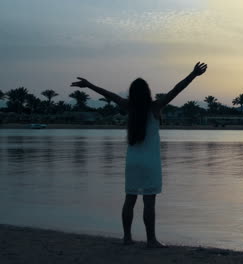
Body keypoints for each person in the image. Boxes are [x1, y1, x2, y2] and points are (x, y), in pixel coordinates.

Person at [70, 62, 208, 247]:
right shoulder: (155, 107)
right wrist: (193, 74)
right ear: (147, 92)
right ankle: (151, 240)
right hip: (150, 163)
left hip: (133, 162)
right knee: (149, 203)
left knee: (130, 199)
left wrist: (89, 85)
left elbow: (109, 94)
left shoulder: (129, 108)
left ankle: (127, 238)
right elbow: (176, 90)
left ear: (132, 93)